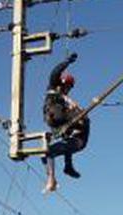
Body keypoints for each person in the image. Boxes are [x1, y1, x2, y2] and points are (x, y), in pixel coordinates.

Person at [42, 52, 90, 193]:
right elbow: (55, 72)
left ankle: (65, 168)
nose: (68, 90)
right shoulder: (53, 89)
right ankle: (52, 178)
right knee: (46, 153)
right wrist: (67, 62)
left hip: (76, 136)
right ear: (62, 84)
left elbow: (81, 120)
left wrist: (78, 115)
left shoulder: (67, 105)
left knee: (79, 118)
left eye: (70, 88)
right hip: (58, 121)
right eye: (67, 87)